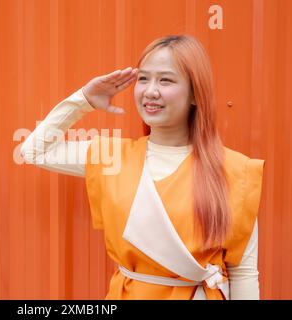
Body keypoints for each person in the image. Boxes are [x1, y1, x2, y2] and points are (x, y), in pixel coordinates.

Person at [20, 34, 265, 300]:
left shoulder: (234, 170)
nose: (150, 91)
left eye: (166, 80)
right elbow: (33, 151)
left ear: (196, 94)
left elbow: (243, 273)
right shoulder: (112, 157)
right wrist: (84, 99)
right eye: (143, 78)